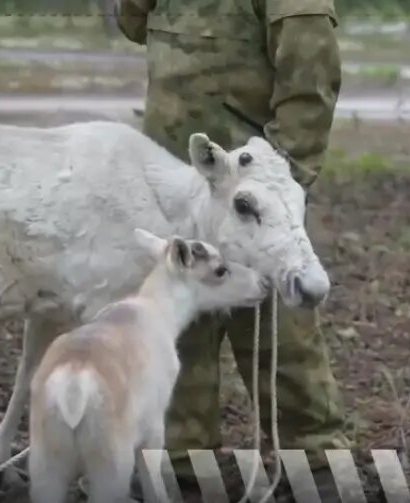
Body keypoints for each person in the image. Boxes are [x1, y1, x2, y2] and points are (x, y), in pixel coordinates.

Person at [113, 0, 353, 499]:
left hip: (248, 197)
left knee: (279, 338)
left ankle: (316, 472)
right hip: (172, 184)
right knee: (176, 330)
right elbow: (133, 24)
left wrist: (275, 184)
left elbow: (311, 80)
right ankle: (180, 472)